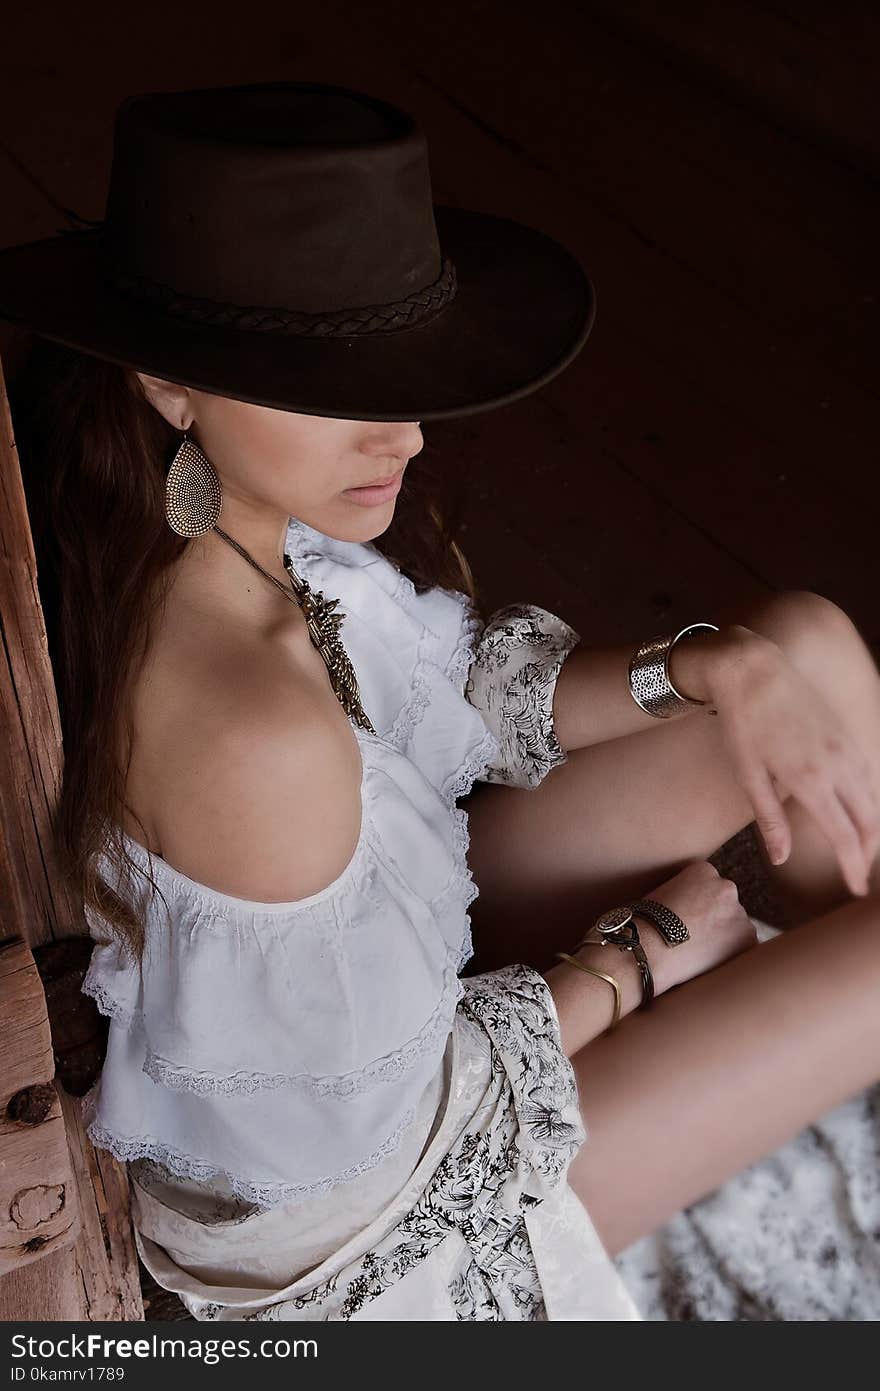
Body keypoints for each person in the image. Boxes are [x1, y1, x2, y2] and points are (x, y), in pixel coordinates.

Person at [0, 80, 878, 1322]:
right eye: (326, 382)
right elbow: (356, 1173)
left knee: (798, 650)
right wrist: (632, 959)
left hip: (396, 984)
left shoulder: (228, 528)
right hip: (382, 1243)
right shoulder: (247, 734)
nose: (403, 436)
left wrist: (704, 666)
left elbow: (445, 683)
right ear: (166, 380)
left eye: (399, 372)